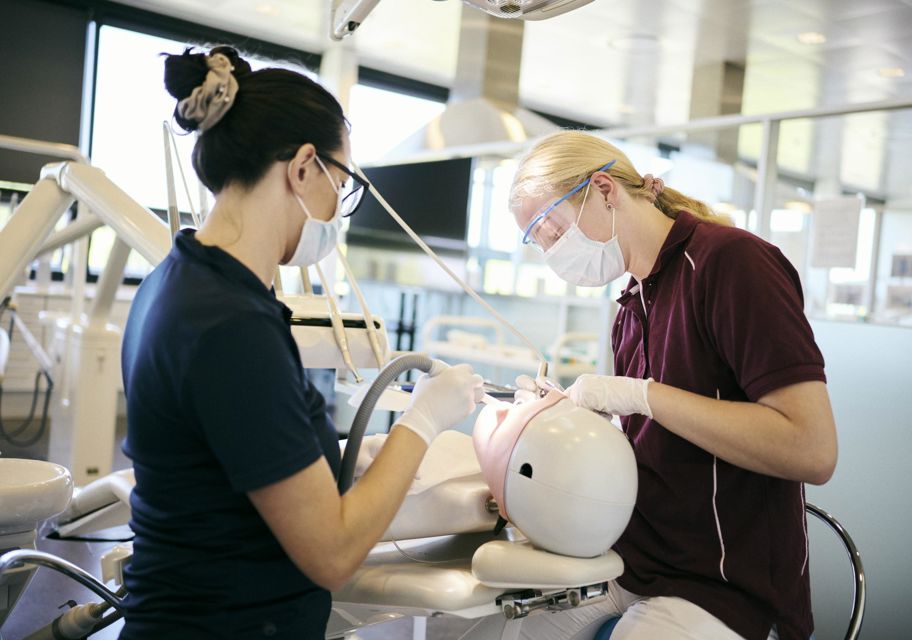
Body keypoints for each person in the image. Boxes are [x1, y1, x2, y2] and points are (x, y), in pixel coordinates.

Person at [119, 46, 483, 639]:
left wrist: (339, 457)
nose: (338, 209)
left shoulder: (179, 280)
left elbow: (232, 456)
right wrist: (424, 420)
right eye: (342, 184)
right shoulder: (230, 325)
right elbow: (333, 553)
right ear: (304, 167)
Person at [475, 131, 838, 640]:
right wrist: (568, 428)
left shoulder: (732, 263)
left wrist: (641, 395)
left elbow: (812, 450)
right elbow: (658, 446)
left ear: (604, 190)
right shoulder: (631, 305)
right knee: (487, 624)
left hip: (724, 580)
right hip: (635, 556)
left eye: (552, 232)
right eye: (539, 244)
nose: (553, 255)